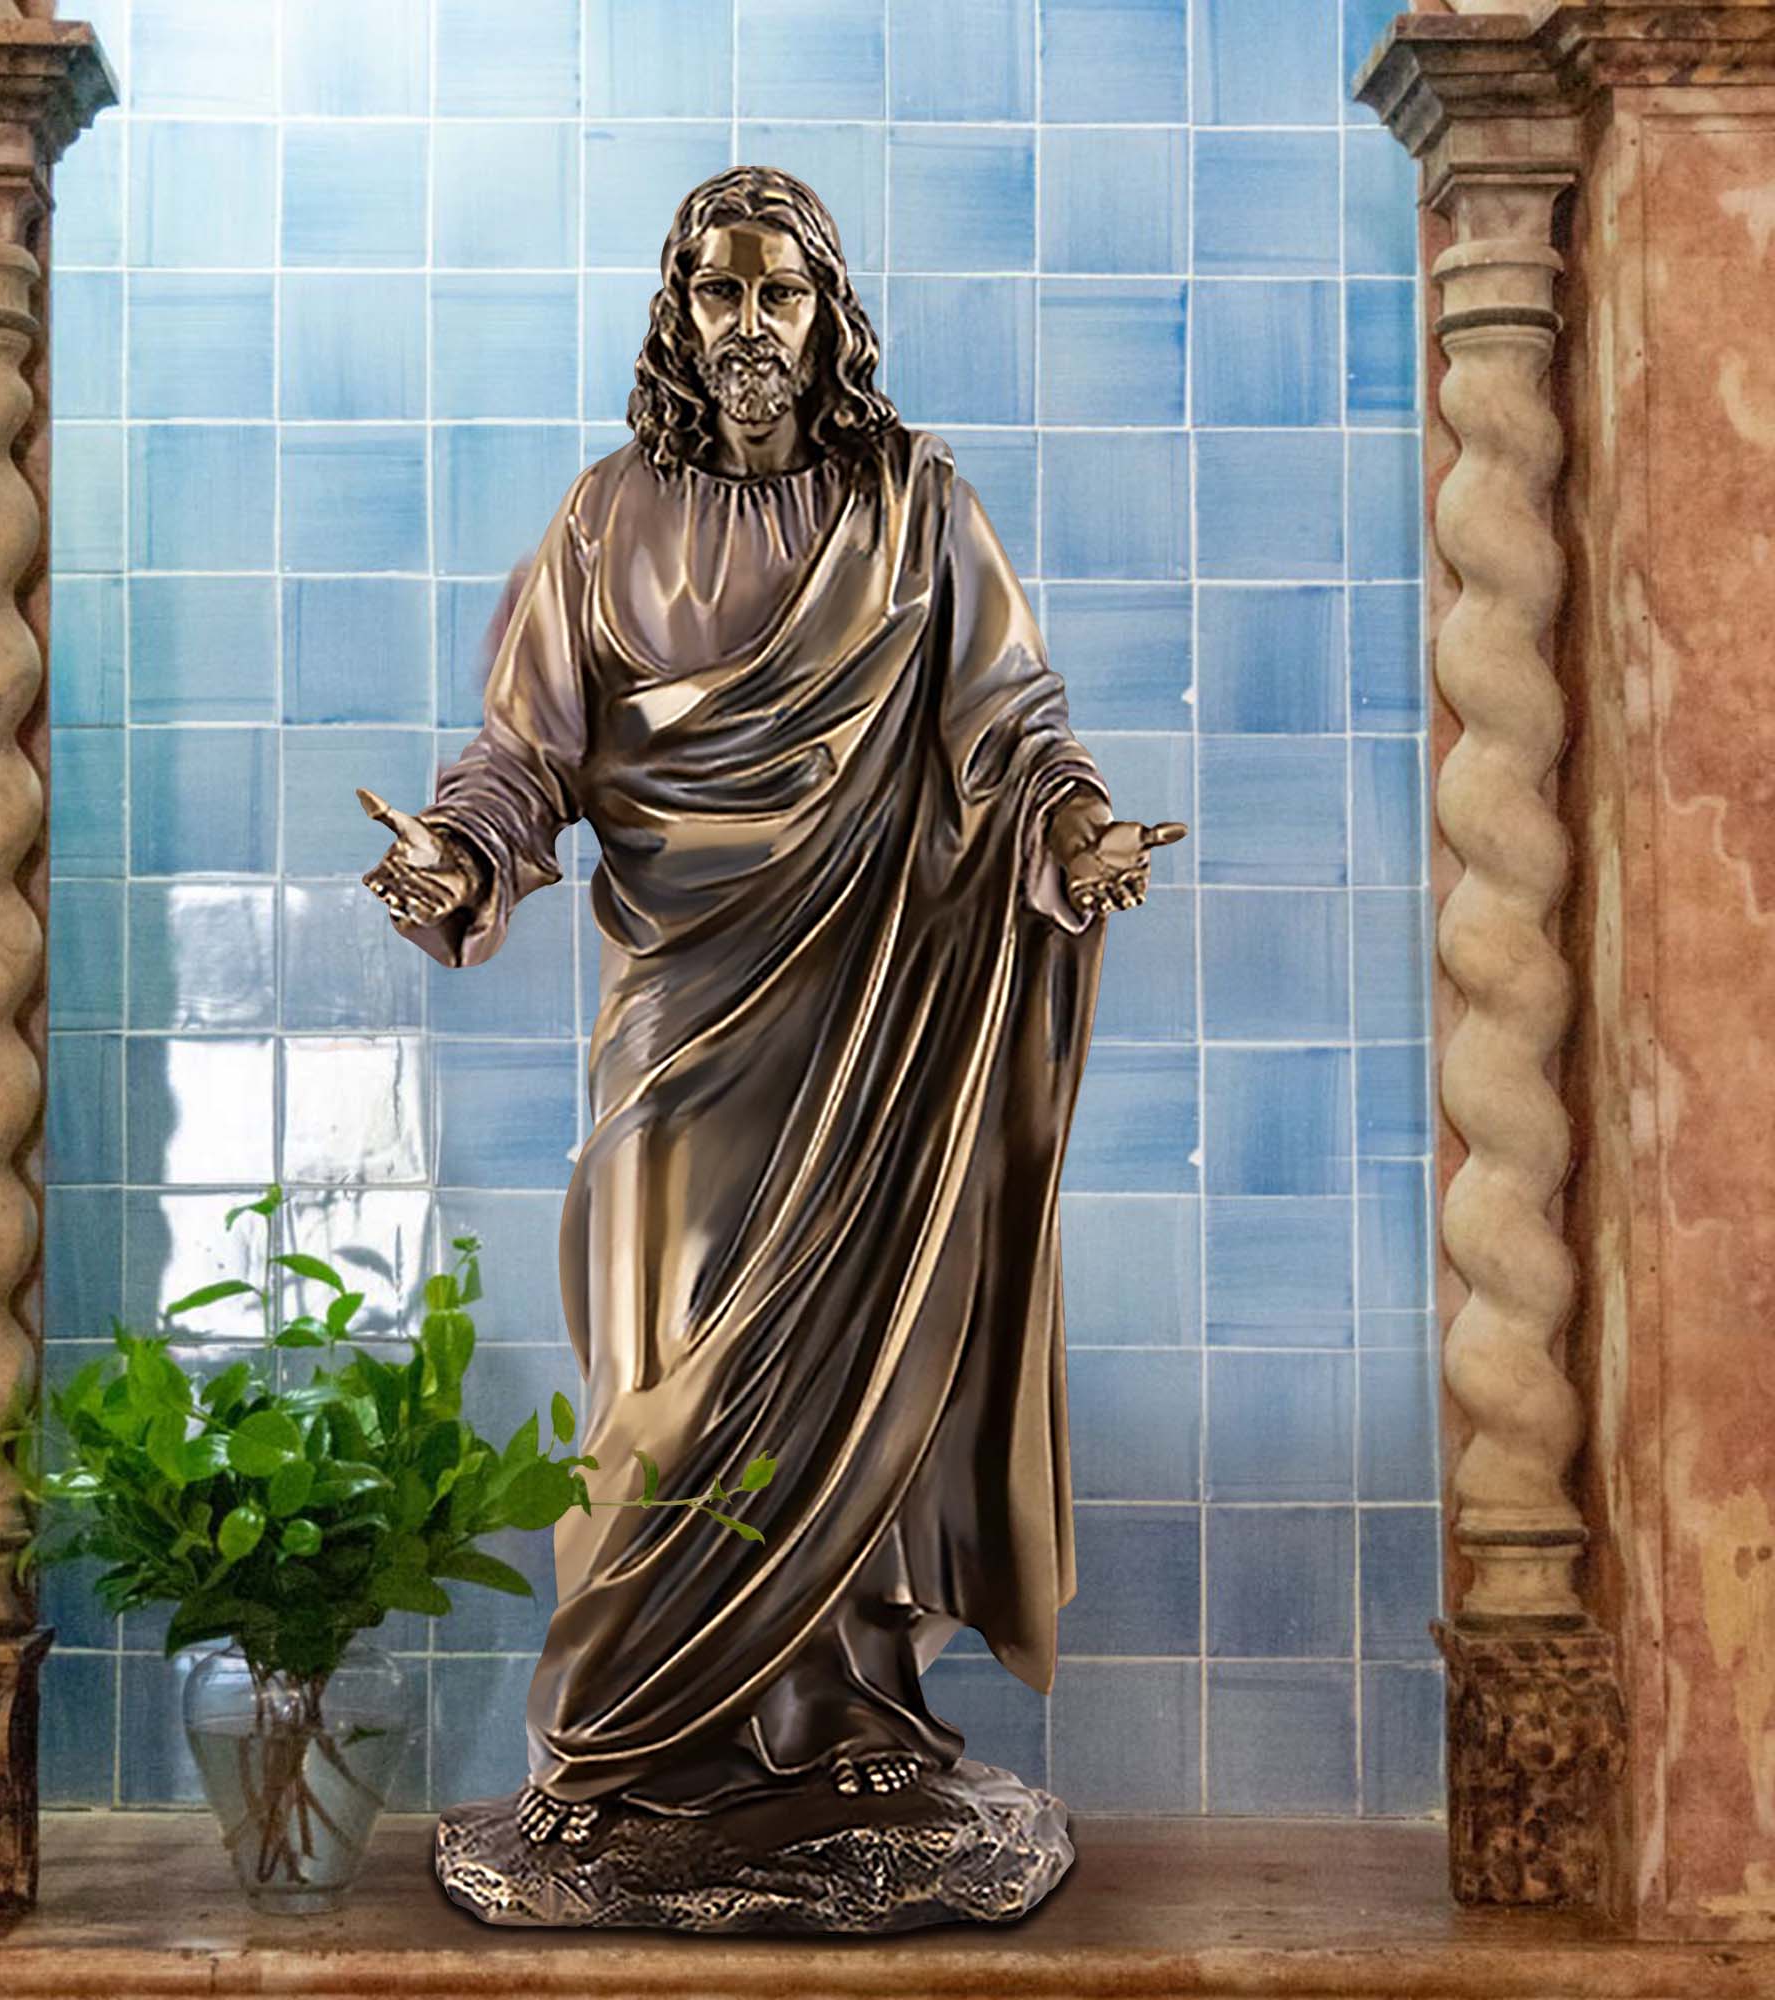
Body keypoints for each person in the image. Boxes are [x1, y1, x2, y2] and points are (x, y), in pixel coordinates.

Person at [360, 165, 1182, 1846]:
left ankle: (845, 1699)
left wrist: (1074, 828)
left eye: (780, 296)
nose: (749, 327)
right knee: (661, 1367)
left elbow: (1010, 721)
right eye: (721, 294)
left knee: (857, 1349)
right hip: (682, 1004)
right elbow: (530, 753)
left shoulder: (915, 506)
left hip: (875, 1003)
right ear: (681, 307)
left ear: (829, 318)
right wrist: (458, 855)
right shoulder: (603, 519)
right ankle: (617, 1732)